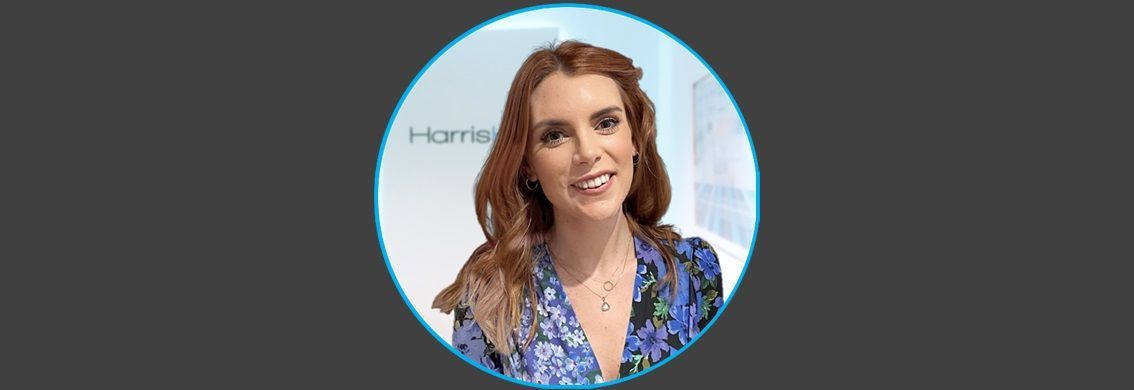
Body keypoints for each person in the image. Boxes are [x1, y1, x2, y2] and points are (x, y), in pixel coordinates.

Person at [433, 40, 724, 385]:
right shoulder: (489, 292)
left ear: (634, 138)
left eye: (606, 123)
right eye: (555, 135)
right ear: (528, 165)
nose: (587, 152)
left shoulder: (693, 269)